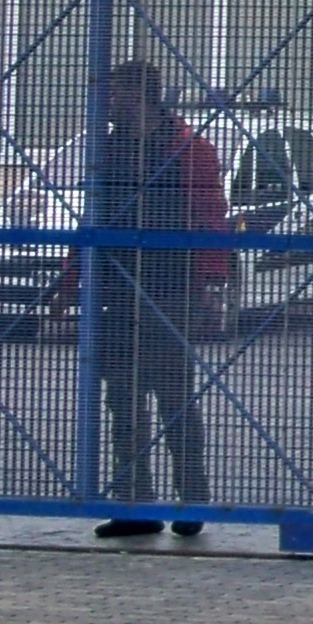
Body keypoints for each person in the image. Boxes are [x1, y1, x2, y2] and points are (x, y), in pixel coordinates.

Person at [89, 62, 227, 540]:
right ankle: (135, 504)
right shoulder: (107, 149)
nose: (107, 102)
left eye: (114, 92)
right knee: (123, 402)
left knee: (174, 398)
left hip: (171, 287)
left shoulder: (188, 148)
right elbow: (93, 219)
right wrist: (73, 282)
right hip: (116, 290)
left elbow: (210, 216)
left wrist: (212, 281)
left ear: (138, 94)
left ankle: (192, 499)